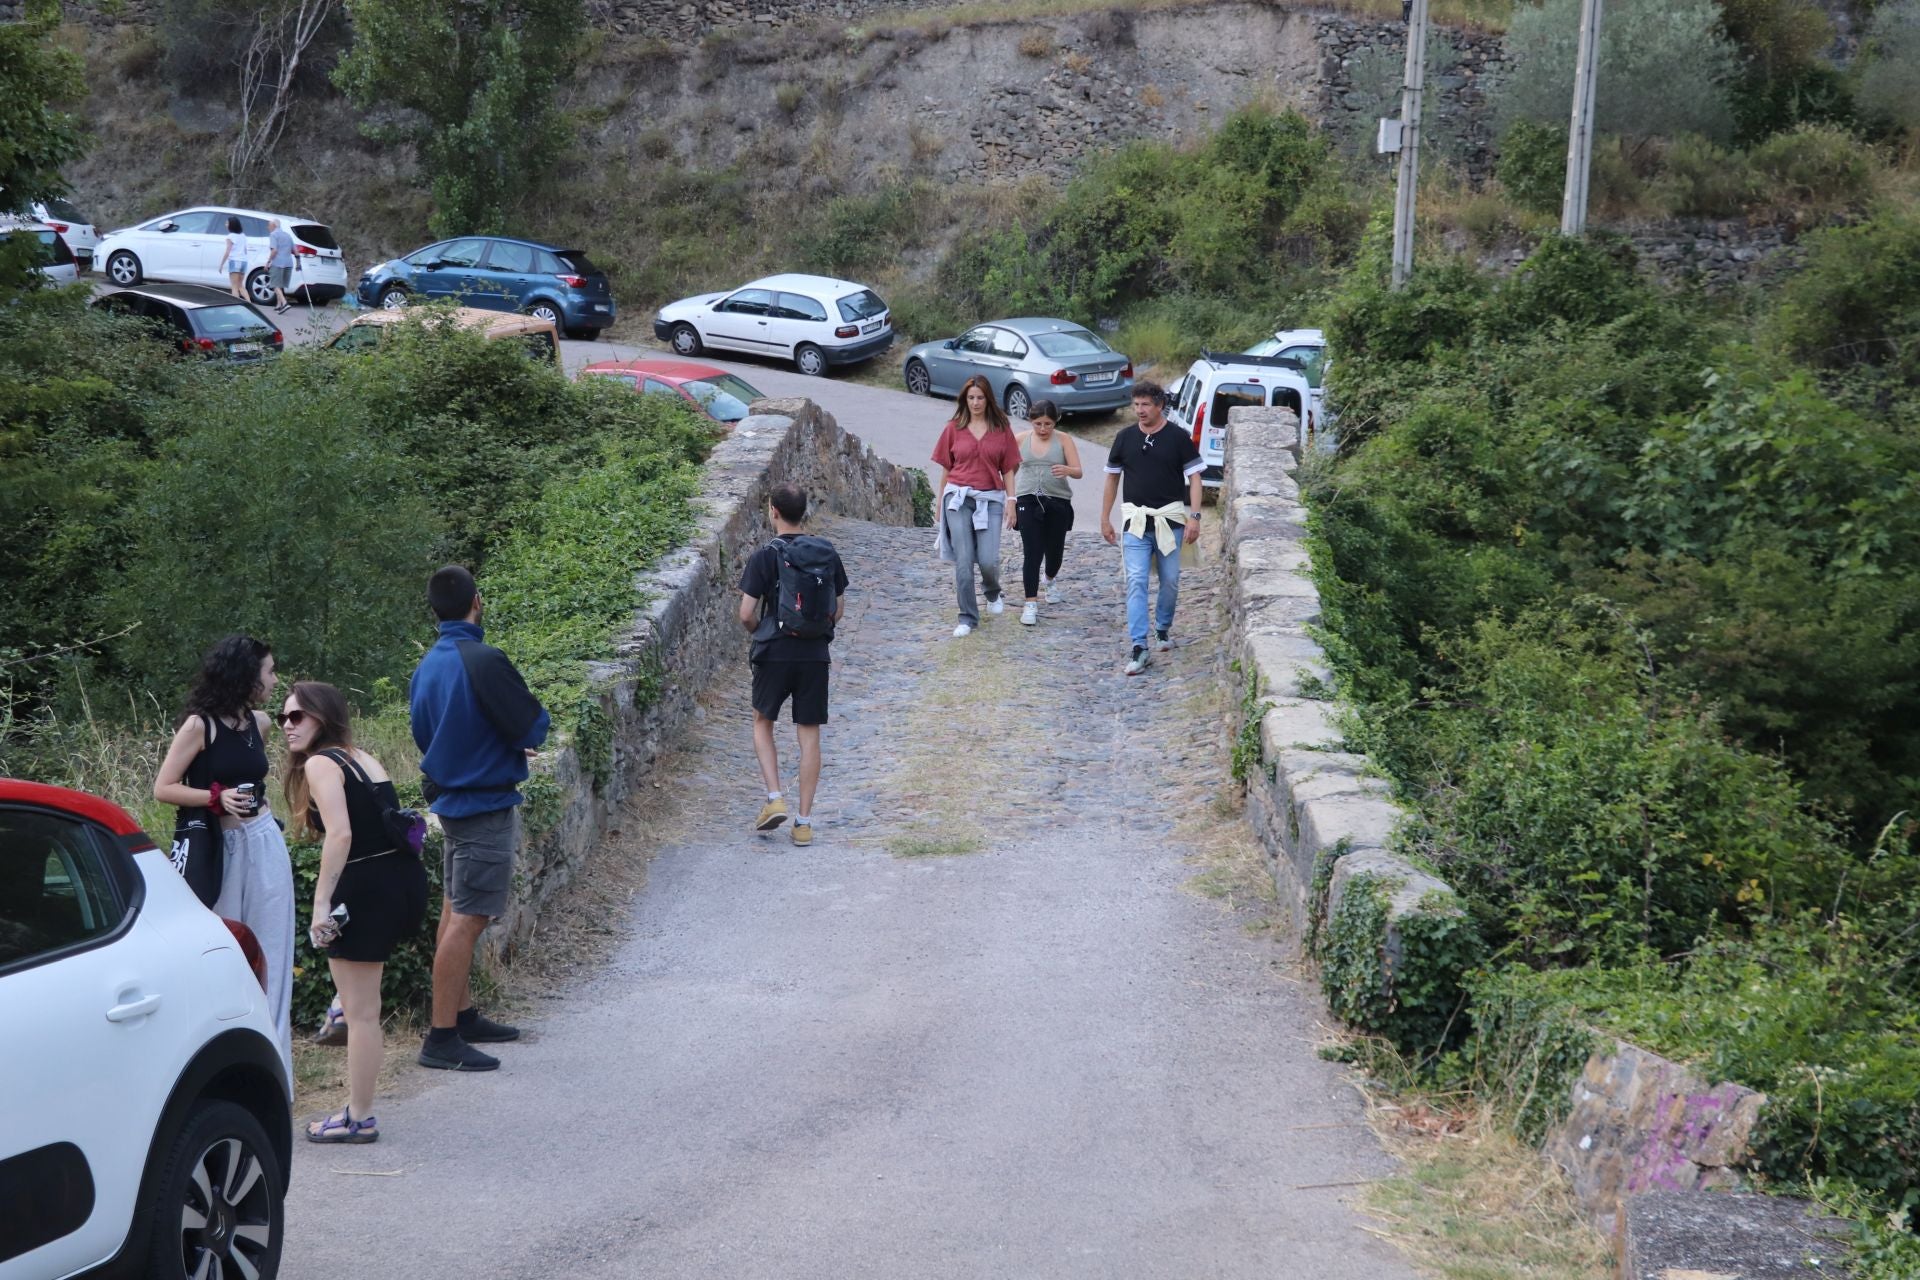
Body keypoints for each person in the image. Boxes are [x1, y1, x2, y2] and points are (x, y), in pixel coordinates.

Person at [409, 565, 550, 1072]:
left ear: (435, 611)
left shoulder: (428, 666)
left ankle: (462, 1015)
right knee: (470, 919)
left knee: (454, 910)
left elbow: (430, 734)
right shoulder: (484, 660)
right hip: (484, 805)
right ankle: (441, 1038)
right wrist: (509, 745)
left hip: (452, 802)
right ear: (477, 602)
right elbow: (533, 728)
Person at [284, 682, 428, 1143]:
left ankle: (358, 1118)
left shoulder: (321, 763)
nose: (287, 726)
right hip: (402, 880)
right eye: (284, 717)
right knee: (359, 1000)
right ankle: (340, 1005)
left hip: (365, 887)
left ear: (322, 717)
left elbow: (341, 834)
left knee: (364, 1013)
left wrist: (320, 904)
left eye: (297, 717)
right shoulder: (361, 757)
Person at [153, 634, 294, 1079]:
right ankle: (230, 1068)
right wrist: (216, 797)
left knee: (273, 952)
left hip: (264, 840)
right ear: (246, 676)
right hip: (220, 849)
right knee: (226, 952)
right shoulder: (200, 726)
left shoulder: (260, 723)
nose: (274, 680)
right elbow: (163, 788)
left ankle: (277, 1071)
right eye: (269, 671)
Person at [737, 483, 849, 845]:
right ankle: (803, 823)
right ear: (805, 512)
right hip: (814, 654)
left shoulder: (764, 556)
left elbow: (746, 614)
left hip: (774, 651)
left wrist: (761, 632)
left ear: (773, 511)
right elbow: (838, 609)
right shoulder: (826, 552)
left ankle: (774, 798)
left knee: (762, 722)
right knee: (809, 733)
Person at [1099, 381, 1204, 677]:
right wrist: (1105, 518)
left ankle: (1162, 627)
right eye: (1136, 404)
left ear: (1160, 406)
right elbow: (1111, 479)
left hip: (1170, 523)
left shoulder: (1178, 437)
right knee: (1135, 580)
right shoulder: (1124, 438)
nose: (1140, 410)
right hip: (1135, 523)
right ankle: (1139, 646)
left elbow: (1195, 478)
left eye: (1145, 404)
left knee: (1170, 581)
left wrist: (1195, 517)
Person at [931, 375, 1022, 638]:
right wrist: (939, 503)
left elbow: (1009, 468)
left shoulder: (1001, 428)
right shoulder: (953, 428)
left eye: (980, 397)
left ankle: (992, 592)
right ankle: (967, 617)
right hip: (957, 498)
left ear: (988, 399)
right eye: (970, 398)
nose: (975, 403)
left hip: (990, 500)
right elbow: (947, 469)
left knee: (988, 560)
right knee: (963, 559)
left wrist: (1011, 501)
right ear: (965, 400)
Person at [1012, 398, 1083, 626]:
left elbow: (1078, 471)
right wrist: (1009, 500)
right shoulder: (1020, 439)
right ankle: (1030, 603)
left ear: (1056, 421)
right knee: (1032, 552)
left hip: (1057, 500)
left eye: (1048, 424)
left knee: (1054, 552)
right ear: (1030, 421)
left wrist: (1067, 469)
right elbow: (1009, 472)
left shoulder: (1064, 440)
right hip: (1027, 498)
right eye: (1038, 424)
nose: (1043, 429)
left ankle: (1050, 579)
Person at [265, 218, 297, 315]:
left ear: (274, 225)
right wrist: (298, 263)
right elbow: (295, 251)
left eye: (269, 225)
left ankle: (284, 302)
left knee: (274, 285)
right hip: (288, 263)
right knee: (280, 285)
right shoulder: (288, 235)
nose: (268, 227)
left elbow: (274, 250)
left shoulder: (273, 235)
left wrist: (268, 262)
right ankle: (278, 306)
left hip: (278, 263)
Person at [220, 215, 248, 300]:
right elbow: (245, 251)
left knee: (234, 287)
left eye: (227, 223)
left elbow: (228, 251)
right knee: (240, 286)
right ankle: (249, 303)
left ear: (231, 225)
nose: (225, 224)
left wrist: (221, 265)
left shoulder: (230, 236)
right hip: (244, 262)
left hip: (235, 261)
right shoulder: (243, 235)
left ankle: (236, 305)